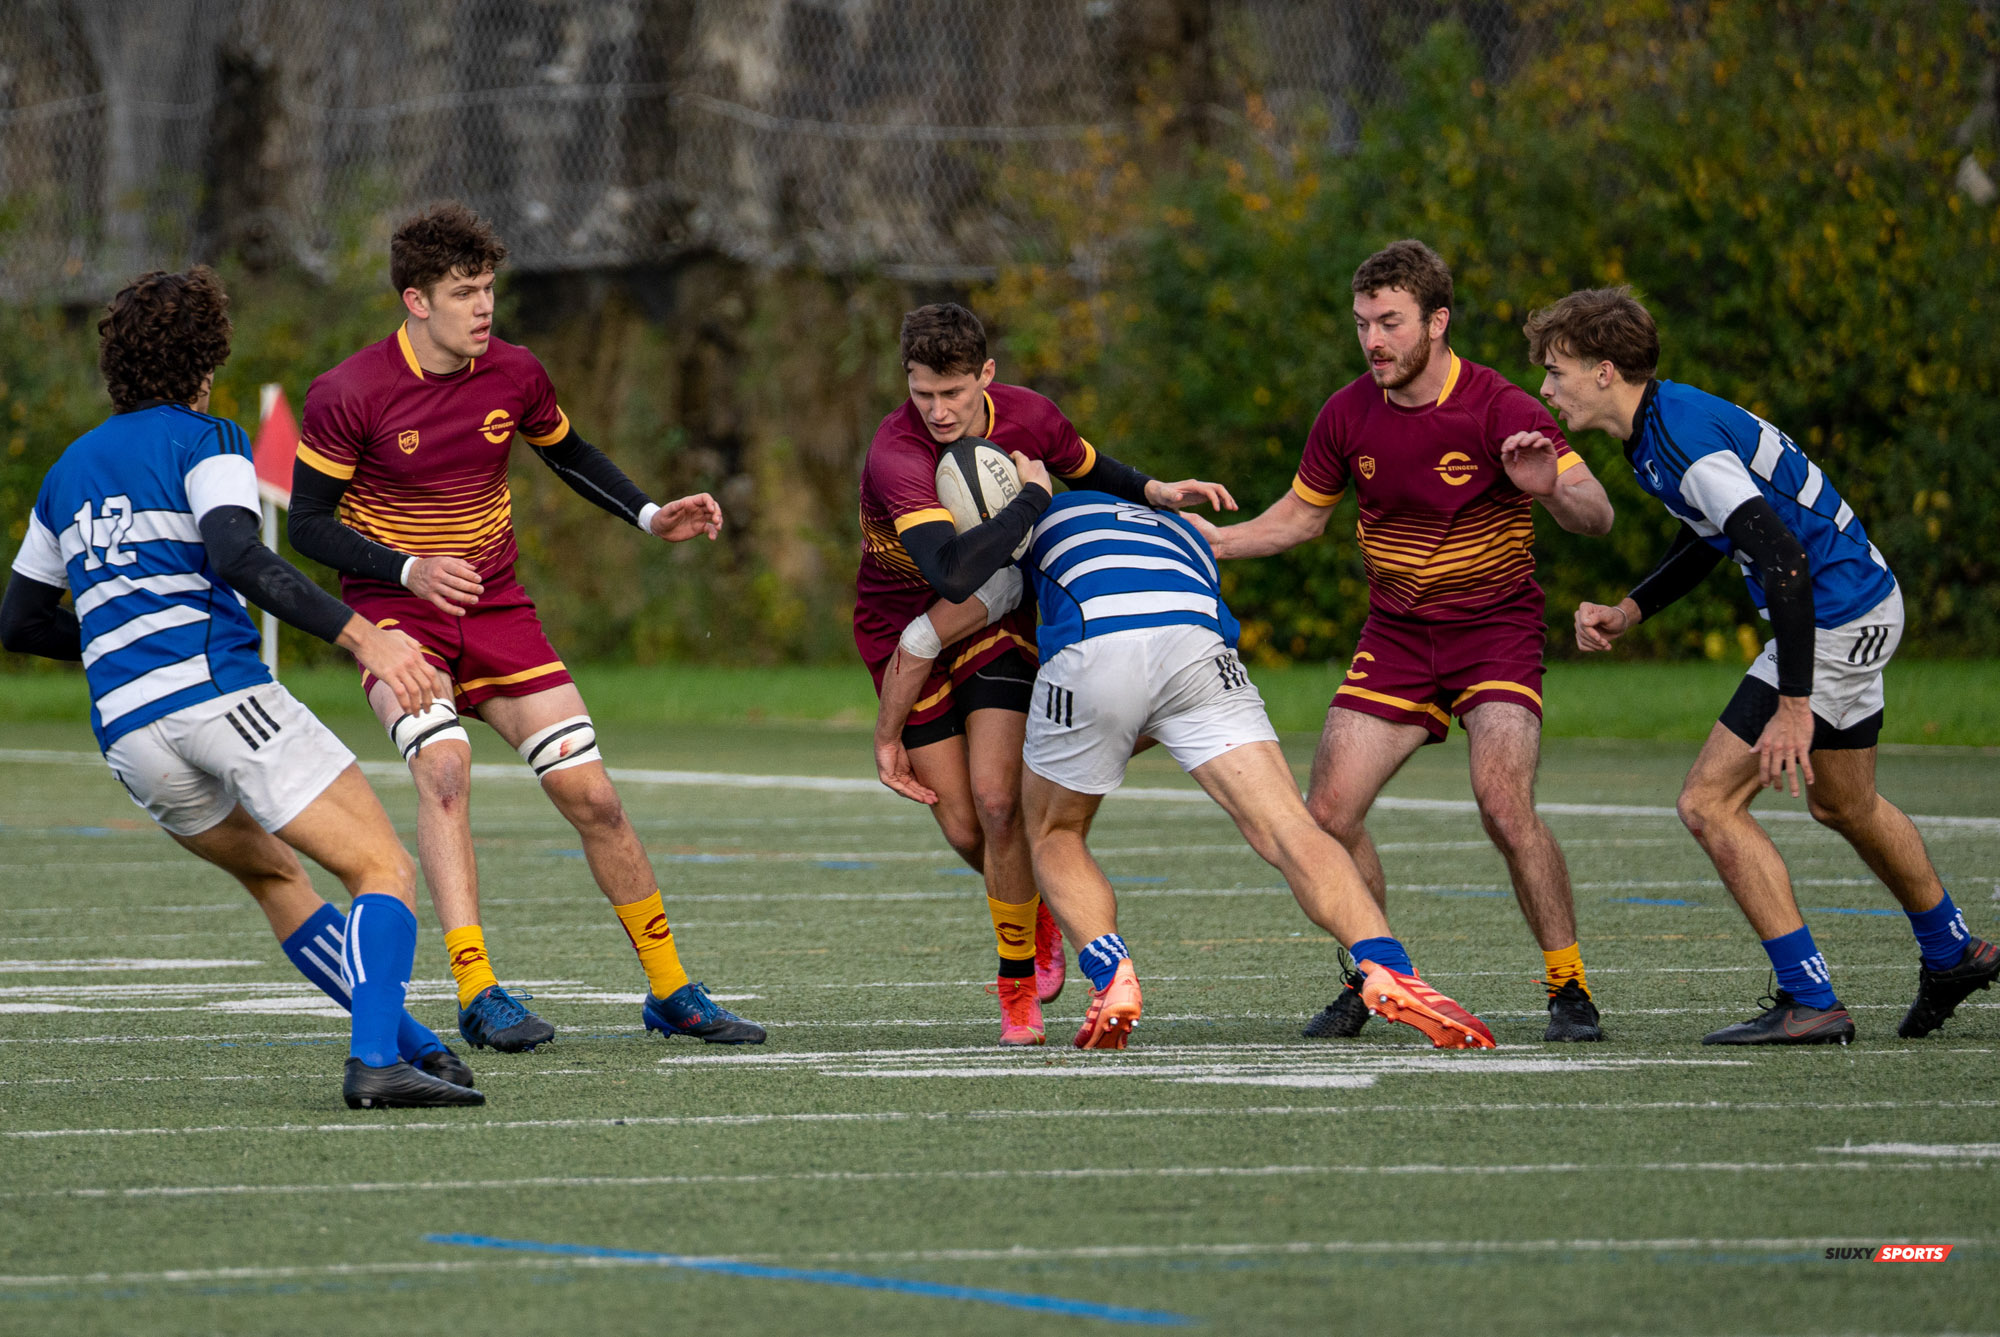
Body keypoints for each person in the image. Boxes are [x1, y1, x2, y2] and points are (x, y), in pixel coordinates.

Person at [0, 266, 482, 1108]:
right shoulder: (206, 439)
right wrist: (367, 633)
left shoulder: (67, 471)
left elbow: (19, 619)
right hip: (220, 697)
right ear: (207, 361)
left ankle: (413, 1045)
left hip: (129, 734)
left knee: (277, 878)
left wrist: (121, 641)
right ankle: (374, 1060)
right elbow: (238, 554)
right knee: (383, 868)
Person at [289, 202, 763, 1052]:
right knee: (444, 769)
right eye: (464, 291)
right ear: (415, 301)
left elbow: (570, 453)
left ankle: (670, 989)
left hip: (499, 613)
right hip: (399, 619)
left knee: (594, 796)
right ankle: (478, 988)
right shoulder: (350, 391)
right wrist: (408, 569)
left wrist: (653, 515)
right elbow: (308, 524)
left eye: (488, 290)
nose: (483, 308)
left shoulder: (513, 372)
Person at [1526, 286, 1997, 1044]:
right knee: (1845, 802)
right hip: (1861, 602)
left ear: (1605, 370)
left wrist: (1795, 703)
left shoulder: (1677, 434)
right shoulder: (1658, 426)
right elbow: (1710, 533)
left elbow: (1782, 558)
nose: (1545, 387)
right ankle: (1954, 950)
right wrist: (1632, 608)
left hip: (1835, 610)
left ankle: (1810, 998)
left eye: (1556, 370)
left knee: (1708, 803)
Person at [875, 489, 1495, 1050]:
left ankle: (1111, 973)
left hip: (1097, 646)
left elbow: (921, 640)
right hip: (1199, 646)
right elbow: (1172, 670)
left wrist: (887, 738)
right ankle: (1389, 965)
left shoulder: (1029, 531)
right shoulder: (1178, 529)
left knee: (1054, 834)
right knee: (1290, 829)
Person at [1189, 240, 1616, 1043]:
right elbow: (1300, 518)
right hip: (1398, 634)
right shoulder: (1348, 412)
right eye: (1362, 324)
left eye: (1390, 322)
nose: (1374, 340)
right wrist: (1209, 543)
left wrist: (1552, 489)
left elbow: (1598, 513)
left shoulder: (1500, 407)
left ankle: (1569, 987)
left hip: (1495, 630)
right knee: (1326, 813)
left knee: (1503, 806)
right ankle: (1379, 972)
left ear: (1438, 321)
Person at [859, 302, 1232, 1044]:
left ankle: (1016, 989)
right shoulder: (895, 454)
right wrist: (1032, 497)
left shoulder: (1028, 415)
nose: (937, 411)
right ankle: (1036, 907)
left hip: (1000, 624)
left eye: (954, 393)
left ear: (986, 376)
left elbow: (1090, 467)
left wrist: (1159, 492)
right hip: (908, 630)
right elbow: (951, 572)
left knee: (1000, 805)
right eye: (923, 392)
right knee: (967, 827)